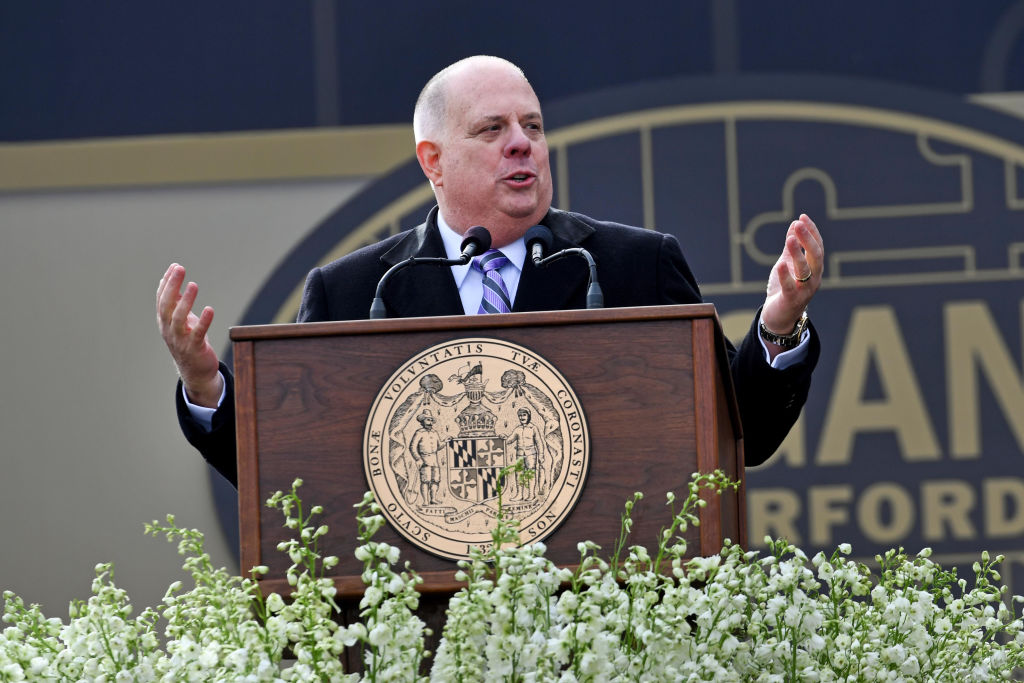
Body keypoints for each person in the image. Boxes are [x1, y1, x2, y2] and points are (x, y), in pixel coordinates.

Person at [157, 55, 823, 487]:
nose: (521, 142)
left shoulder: (629, 266)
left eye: (532, 125)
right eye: (492, 128)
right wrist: (205, 383)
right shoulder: (359, 291)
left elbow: (743, 434)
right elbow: (291, 472)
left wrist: (778, 325)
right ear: (432, 160)